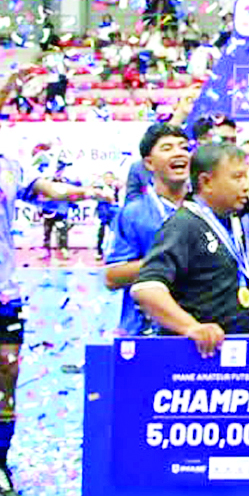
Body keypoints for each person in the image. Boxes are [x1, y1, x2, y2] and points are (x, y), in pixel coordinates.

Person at [0, 80, 113, 496]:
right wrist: (7, 89)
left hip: (7, 288)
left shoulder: (9, 165)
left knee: (9, 370)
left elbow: (47, 190)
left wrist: (86, 191)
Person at [131, 77, 249, 356]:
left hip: (235, 351)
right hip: (199, 362)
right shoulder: (184, 224)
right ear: (207, 182)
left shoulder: (234, 213)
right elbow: (146, 289)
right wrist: (192, 327)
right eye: (237, 177)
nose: (246, 185)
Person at [103, 123, 192, 338]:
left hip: (202, 325)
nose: (179, 153)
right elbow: (112, 277)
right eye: (167, 148)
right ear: (149, 163)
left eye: (184, 147)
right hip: (147, 330)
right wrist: (169, 261)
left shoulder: (207, 208)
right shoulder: (133, 214)